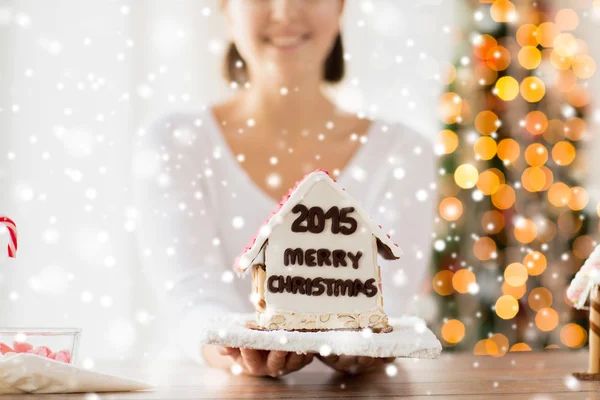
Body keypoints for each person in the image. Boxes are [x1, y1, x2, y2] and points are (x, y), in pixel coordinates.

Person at [134, 0, 435, 378]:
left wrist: (361, 342)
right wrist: (234, 347)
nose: (285, 11)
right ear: (225, 7)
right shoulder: (174, 141)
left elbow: (388, 295)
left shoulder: (405, 152)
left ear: (341, 5)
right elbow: (191, 293)